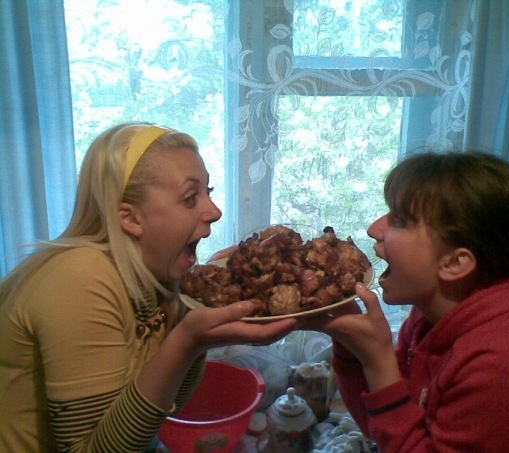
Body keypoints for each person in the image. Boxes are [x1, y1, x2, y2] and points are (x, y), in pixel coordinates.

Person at [0, 122, 296, 451]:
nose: (215, 211)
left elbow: (168, 409)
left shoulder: (157, 275)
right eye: (190, 198)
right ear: (131, 218)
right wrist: (187, 341)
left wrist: (198, 314)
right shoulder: (78, 280)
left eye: (208, 192)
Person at [302, 151, 509, 452]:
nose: (374, 229)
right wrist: (354, 351)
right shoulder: (429, 318)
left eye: (400, 220)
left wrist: (377, 359)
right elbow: (387, 427)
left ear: (455, 263)